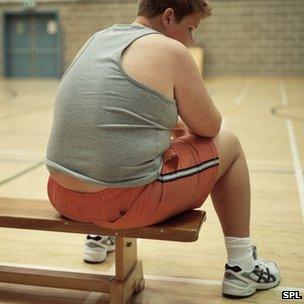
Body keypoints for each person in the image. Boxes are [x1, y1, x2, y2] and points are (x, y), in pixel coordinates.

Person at [45, 0, 280, 298]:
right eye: (191, 29)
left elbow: (108, 113)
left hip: (62, 194)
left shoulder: (98, 39)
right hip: (121, 203)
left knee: (136, 143)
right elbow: (209, 127)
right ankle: (243, 266)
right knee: (229, 143)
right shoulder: (170, 50)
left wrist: (170, 123)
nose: (191, 40)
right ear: (169, 17)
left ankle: (99, 236)